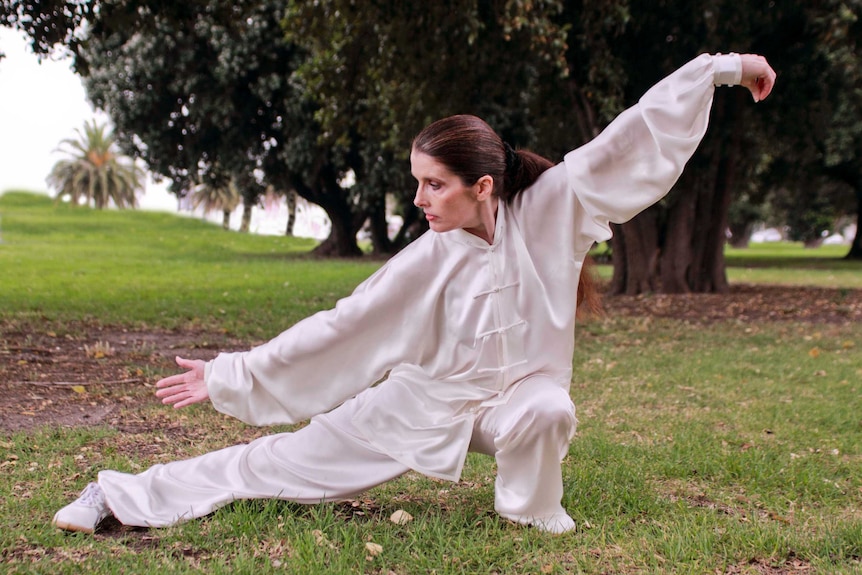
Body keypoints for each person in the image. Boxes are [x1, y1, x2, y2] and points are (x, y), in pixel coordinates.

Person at [52, 52, 776, 535]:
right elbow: (341, 329)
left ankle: (529, 513)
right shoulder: (423, 261)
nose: (420, 198)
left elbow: (633, 138)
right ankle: (118, 493)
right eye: (417, 182)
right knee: (274, 465)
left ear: (481, 186)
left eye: (434, 183)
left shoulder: (556, 207)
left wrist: (721, 70)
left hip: (516, 401)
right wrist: (230, 373)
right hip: (419, 406)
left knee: (550, 407)